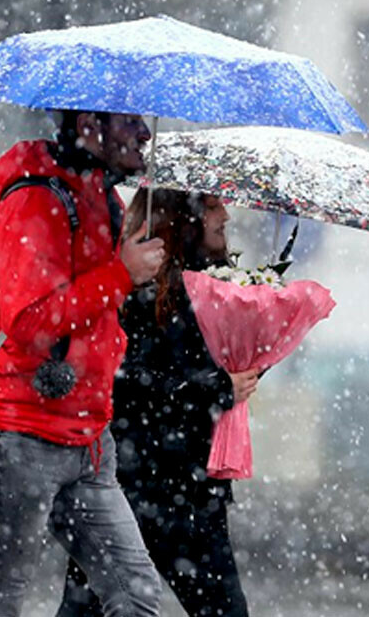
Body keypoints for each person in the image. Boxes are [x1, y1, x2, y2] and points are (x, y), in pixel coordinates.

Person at [0, 111, 166, 617]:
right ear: (89, 124)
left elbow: (99, 313)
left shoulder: (102, 200)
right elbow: (31, 320)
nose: (144, 133)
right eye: (128, 121)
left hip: (87, 440)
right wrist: (120, 274)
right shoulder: (34, 199)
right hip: (14, 434)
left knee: (135, 595)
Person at [57, 188, 260, 617]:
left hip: (189, 488)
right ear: (181, 217)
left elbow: (202, 374)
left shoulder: (217, 287)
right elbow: (127, 380)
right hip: (132, 486)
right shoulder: (137, 286)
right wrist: (216, 388)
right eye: (211, 206)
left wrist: (250, 362)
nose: (225, 214)